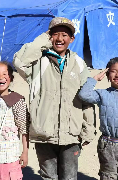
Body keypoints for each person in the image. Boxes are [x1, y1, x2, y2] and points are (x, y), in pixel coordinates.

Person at [13, 17, 96, 180]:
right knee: (48, 176)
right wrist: (44, 38)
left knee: (69, 177)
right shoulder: (38, 63)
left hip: (71, 133)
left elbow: (86, 97)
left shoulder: (79, 63)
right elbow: (19, 60)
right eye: (55, 34)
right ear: (49, 36)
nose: (59, 39)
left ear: (72, 39)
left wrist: (88, 129)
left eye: (65, 35)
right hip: (44, 133)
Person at [79, 57, 118, 180]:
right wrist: (95, 79)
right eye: (113, 71)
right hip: (108, 144)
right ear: (108, 74)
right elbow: (84, 94)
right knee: (108, 175)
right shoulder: (102, 95)